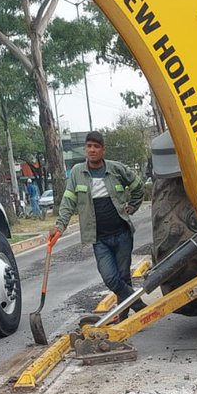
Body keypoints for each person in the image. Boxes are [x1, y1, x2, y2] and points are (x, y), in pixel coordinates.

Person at [51, 131, 144, 315]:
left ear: (103, 150)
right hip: (99, 238)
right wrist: (60, 226)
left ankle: (124, 317)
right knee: (110, 278)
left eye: (96, 146)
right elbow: (68, 201)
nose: (92, 150)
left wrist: (132, 206)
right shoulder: (78, 172)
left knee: (124, 276)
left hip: (122, 234)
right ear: (85, 149)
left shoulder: (116, 169)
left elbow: (138, 186)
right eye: (89, 146)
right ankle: (138, 304)